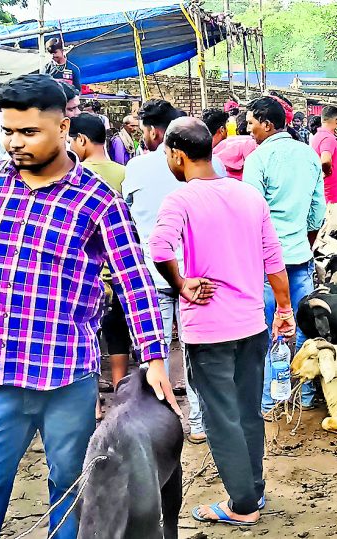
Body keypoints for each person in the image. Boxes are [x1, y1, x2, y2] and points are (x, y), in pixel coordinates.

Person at [0, 74, 174, 539]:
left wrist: (155, 359)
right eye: (8, 131)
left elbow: (134, 281)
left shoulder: (98, 200)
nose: (14, 143)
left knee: (70, 492)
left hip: (65, 375)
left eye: (28, 132)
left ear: (63, 128)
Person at [150, 117, 293, 527]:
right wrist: (284, 310)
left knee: (220, 417)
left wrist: (181, 283)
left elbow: (159, 248)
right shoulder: (248, 195)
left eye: (167, 154)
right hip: (252, 324)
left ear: (177, 155)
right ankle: (254, 489)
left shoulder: (180, 200)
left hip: (209, 330)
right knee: (248, 411)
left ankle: (243, 505)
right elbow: (274, 258)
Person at [122, 98, 213, 440]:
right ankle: (200, 424)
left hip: (153, 272)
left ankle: (159, 428)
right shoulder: (206, 166)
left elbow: (130, 215)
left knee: (154, 353)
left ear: (155, 132)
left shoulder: (137, 168)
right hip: (196, 275)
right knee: (195, 352)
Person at [242, 97, 326, 413]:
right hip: (300, 256)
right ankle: (304, 396)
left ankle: (269, 400)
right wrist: (305, 241)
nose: (248, 130)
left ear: (267, 124)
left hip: (266, 262)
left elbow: (251, 215)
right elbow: (317, 211)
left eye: (251, 123)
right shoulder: (309, 155)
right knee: (304, 328)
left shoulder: (258, 159)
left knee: (267, 329)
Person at [310, 106, 337, 233]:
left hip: (333, 195)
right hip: (333, 197)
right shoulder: (327, 138)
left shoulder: (321, 136)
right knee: (333, 233)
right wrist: (327, 172)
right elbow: (325, 160)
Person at [69, 112, 125, 192]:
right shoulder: (125, 173)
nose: (70, 147)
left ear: (81, 139)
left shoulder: (74, 174)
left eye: (70, 141)